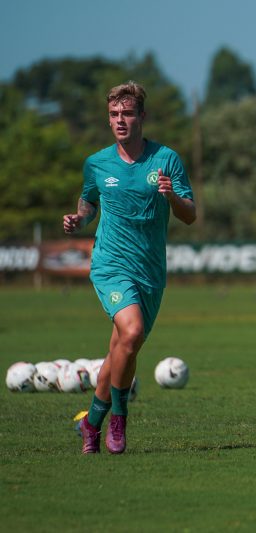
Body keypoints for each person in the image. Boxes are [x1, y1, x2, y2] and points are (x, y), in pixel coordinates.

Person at [64, 81, 196, 454]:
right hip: (110, 264)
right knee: (132, 331)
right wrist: (79, 219)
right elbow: (88, 202)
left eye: (127, 113)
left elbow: (190, 215)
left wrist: (172, 198)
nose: (120, 120)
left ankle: (91, 422)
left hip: (150, 270)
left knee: (123, 348)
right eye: (113, 115)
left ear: (142, 116)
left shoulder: (166, 160)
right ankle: (118, 421)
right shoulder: (97, 163)